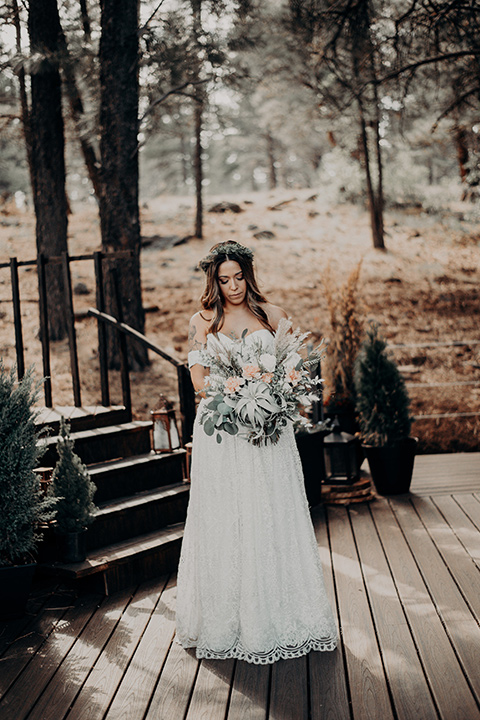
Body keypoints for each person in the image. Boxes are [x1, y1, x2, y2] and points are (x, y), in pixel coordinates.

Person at [175, 240, 337, 664]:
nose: (232, 286)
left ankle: (284, 614)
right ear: (214, 280)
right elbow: (198, 381)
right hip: (224, 436)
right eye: (223, 279)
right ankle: (229, 619)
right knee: (228, 516)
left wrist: (271, 395)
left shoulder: (274, 316)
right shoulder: (202, 321)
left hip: (269, 435)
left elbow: (297, 371)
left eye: (239, 276)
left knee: (272, 513)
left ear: (249, 273)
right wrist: (239, 397)